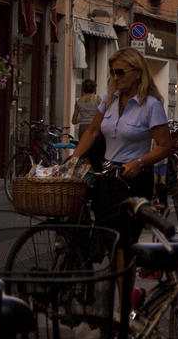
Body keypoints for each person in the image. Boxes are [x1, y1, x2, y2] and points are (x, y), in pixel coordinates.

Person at [69, 47, 171, 228]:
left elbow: (164, 146)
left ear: (138, 73)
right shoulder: (109, 99)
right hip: (107, 176)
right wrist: (72, 161)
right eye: (113, 73)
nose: (115, 77)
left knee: (125, 238)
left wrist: (139, 163)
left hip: (133, 179)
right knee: (106, 232)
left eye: (120, 72)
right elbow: (92, 132)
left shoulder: (151, 105)